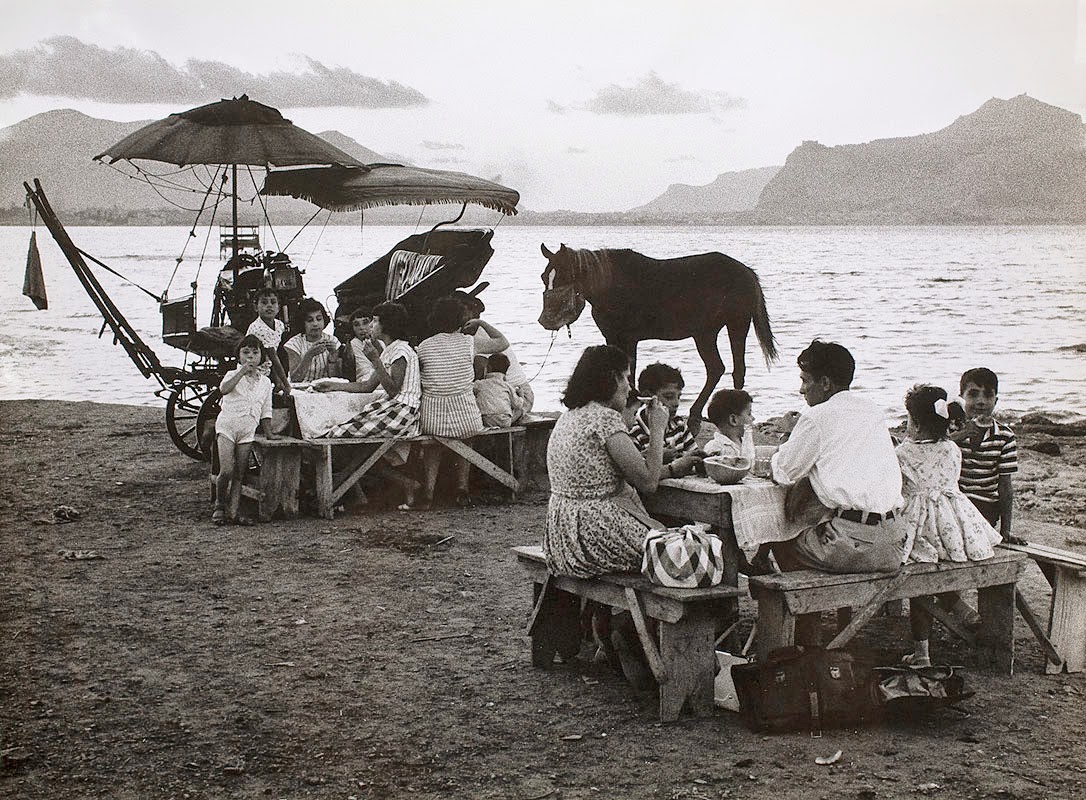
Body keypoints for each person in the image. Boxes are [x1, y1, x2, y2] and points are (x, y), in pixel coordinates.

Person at [770, 340, 904, 578]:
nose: (801, 390)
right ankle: (833, 614)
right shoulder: (872, 410)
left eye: (804, 380)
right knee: (824, 523)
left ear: (824, 383)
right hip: (894, 542)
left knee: (779, 540)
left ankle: (806, 613)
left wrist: (790, 432)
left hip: (853, 546)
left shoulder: (816, 417)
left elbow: (783, 472)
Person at [897, 384, 1001, 666]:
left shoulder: (904, 453)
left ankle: (922, 654)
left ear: (915, 423)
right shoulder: (953, 448)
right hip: (954, 526)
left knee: (919, 580)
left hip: (920, 528)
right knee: (934, 571)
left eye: (908, 419)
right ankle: (957, 605)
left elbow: (899, 491)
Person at [319, 302, 422, 505]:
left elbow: (393, 390)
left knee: (337, 435)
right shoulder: (388, 351)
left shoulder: (401, 350)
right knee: (354, 443)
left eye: (375, 321)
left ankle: (338, 485)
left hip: (404, 411)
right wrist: (333, 386)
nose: (371, 326)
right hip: (394, 409)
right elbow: (367, 386)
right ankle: (406, 484)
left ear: (387, 326)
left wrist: (374, 360)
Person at [415, 296, 485, 508]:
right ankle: (462, 489)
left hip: (432, 419)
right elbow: (503, 342)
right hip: (467, 419)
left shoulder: (424, 347)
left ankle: (428, 493)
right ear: (460, 320)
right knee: (467, 439)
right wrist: (481, 323)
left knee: (432, 447)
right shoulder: (469, 342)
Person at [952, 367, 1021, 544]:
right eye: (973, 394)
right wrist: (961, 435)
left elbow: (1005, 486)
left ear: (996, 401)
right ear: (961, 399)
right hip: (953, 502)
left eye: (988, 395)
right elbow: (933, 452)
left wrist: (1006, 531)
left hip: (985, 506)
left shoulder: (1005, 436)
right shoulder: (950, 431)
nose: (981, 402)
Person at [213, 335, 276, 525]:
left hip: (247, 430)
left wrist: (269, 433)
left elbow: (266, 409)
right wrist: (241, 373)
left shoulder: (265, 382)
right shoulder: (233, 374)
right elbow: (223, 389)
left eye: (255, 353)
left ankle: (233, 511)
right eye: (246, 352)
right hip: (227, 426)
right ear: (239, 356)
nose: (250, 357)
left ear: (261, 356)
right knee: (227, 470)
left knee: (240, 472)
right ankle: (219, 504)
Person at [456, 292, 536, 414]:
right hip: (507, 395)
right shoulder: (481, 333)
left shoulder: (480, 337)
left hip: (518, 397)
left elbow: (478, 376)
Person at [628, 362, 700, 476]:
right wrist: (658, 457)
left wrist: (698, 458)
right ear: (647, 397)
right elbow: (636, 473)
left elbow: (692, 453)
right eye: (669, 397)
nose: (676, 403)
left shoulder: (679, 424)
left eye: (679, 397)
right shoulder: (635, 431)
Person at [284, 298, 342, 384]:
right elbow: (295, 379)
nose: (315, 324)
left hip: (325, 388)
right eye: (310, 320)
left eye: (319, 319)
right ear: (302, 323)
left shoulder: (333, 341)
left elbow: (335, 378)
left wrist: (333, 356)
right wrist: (309, 355)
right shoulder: (294, 344)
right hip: (300, 389)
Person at [244, 288, 290, 396]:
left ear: (278, 307)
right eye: (264, 303)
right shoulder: (258, 328)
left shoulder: (279, 325)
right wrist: (286, 383)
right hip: (252, 371)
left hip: (266, 369)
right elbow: (273, 357)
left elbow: (275, 353)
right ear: (256, 307)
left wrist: (278, 380)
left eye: (273, 302)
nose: (269, 306)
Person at [473, 353, 525, 428]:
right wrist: (521, 396)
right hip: (504, 421)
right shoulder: (507, 386)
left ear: (488, 368)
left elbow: (469, 390)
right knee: (520, 410)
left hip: (485, 420)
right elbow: (517, 404)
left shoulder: (479, 384)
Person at [704, 389, 756, 461]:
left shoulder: (745, 442)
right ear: (733, 420)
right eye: (749, 414)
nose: (753, 418)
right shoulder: (715, 448)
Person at [342, 306, 376, 383]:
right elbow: (364, 372)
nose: (361, 328)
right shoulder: (354, 344)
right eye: (356, 324)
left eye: (365, 323)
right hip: (365, 382)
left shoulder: (380, 341)